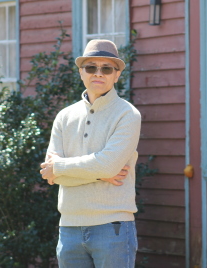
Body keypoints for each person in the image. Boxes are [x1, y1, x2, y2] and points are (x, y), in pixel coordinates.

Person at [39, 39, 141, 268]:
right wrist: (100, 173)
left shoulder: (128, 115)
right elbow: (49, 174)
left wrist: (61, 168)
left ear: (117, 75)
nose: (98, 73)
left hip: (112, 227)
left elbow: (106, 166)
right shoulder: (64, 116)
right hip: (69, 229)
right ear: (81, 72)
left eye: (106, 68)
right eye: (91, 67)